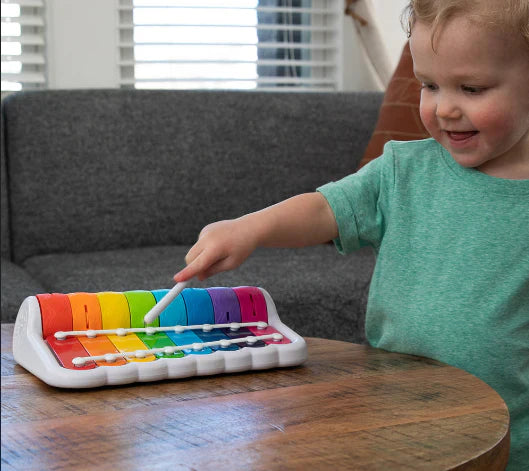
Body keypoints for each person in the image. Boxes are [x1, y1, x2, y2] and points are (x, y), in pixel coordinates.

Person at [174, 0, 529, 468]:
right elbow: (325, 209)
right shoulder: (403, 170)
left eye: (471, 88)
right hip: (391, 423)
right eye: (429, 85)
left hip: (506, 445)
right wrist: (250, 228)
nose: (444, 107)